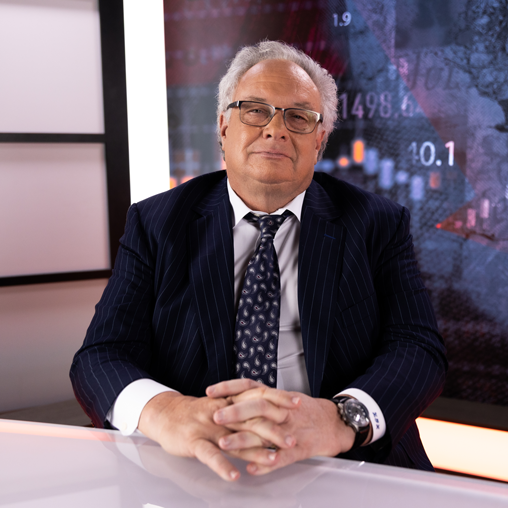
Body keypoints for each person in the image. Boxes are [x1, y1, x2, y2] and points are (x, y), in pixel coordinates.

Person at [70, 40, 447, 482]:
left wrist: (341, 419)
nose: (275, 130)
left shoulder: (377, 222)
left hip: (347, 465)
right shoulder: (156, 222)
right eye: (255, 110)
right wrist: (166, 412)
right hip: (192, 469)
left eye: (298, 117)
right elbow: (101, 355)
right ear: (223, 126)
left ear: (320, 140)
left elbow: (418, 347)